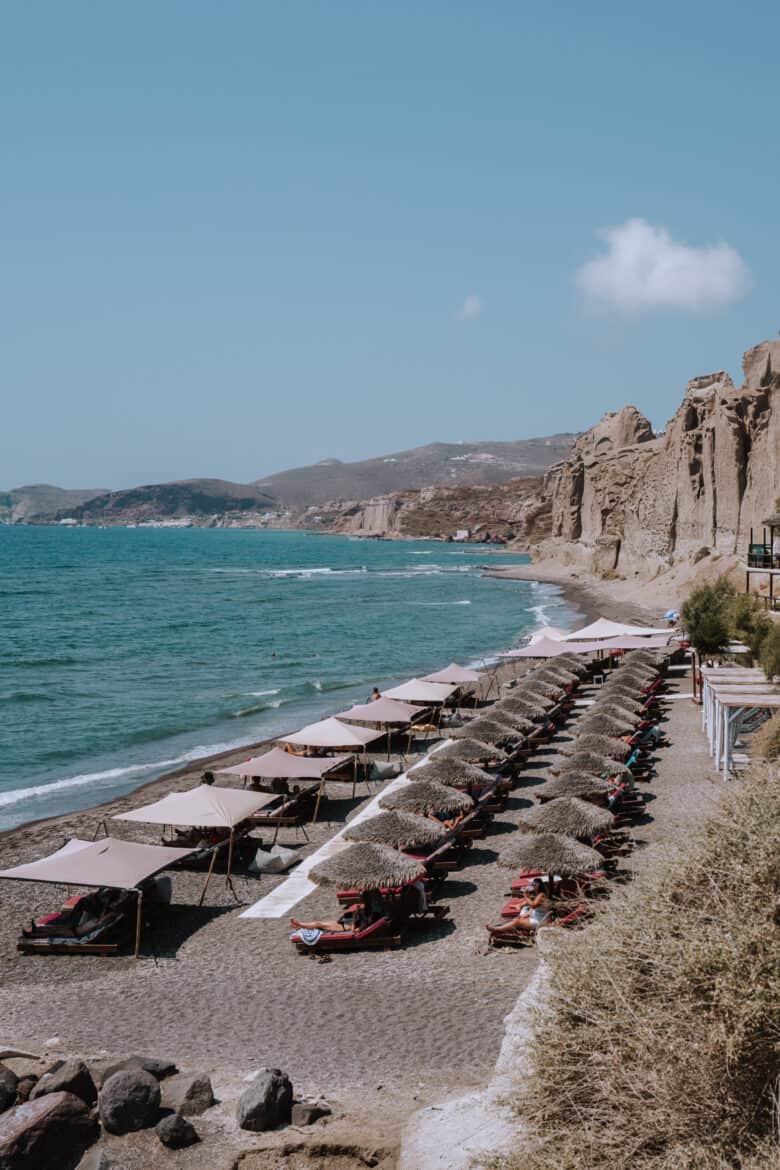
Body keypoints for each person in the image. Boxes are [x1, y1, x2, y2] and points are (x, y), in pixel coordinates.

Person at [291, 894, 372, 935]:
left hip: (342, 927)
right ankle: (299, 926)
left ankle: (300, 924)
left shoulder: (364, 922)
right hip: (341, 923)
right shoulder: (364, 915)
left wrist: (354, 918)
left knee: (318, 924)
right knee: (319, 924)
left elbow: (354, 931)